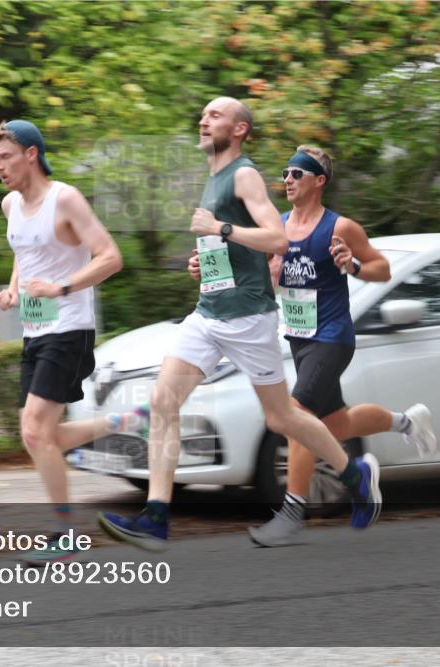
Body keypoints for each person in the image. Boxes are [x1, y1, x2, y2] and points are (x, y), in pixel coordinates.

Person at [97, 98, 382, 553]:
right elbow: (232, 247)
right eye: (203, 113)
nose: (203, 119)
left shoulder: (245, 174)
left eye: (214, 115)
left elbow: (278, 239)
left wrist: (222, 229)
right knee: (163, 400)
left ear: (241, 128)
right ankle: (156, 517)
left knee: (281, 417)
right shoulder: (214, 179)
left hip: (248, 317)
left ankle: (355, 476)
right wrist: (206, 262)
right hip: (209, 312)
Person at [207, 144, 437, 547]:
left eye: (297, 174)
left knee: (295, 417)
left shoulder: (339, 227)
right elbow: (253, 277)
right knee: (336, 425)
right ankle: (407, 422)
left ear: (319, 181)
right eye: (285, 173)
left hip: (331, 338)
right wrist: (214, 271)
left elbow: (381, 268)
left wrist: (353, 265)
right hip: (298, 339)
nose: (288, 181)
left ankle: (292, 513)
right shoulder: (276, 227)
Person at [0, 119, 136, 564]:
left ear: (31, 154)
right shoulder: (10, 204)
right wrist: (13, 287)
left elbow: (111, 257)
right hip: (35, 330)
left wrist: (63, 288)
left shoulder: (65, 199)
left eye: (5, 156)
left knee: (36, 429)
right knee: (41, 435)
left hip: (70, 328)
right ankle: (125, 425)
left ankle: (64, 533)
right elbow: (25, 253)